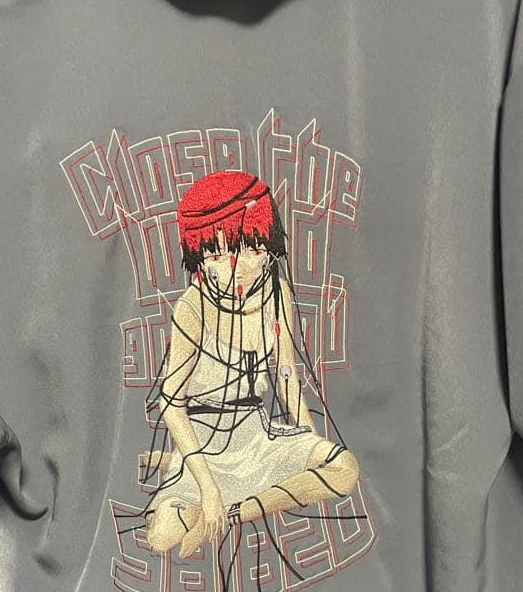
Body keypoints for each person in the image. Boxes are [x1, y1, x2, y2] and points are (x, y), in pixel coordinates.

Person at [140, 169, 360, 567]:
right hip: (204, 448)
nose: (237, 265)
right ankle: (193, 481)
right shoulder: (192, 307)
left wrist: (307, 441)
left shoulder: (277, 294)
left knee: (344, 469)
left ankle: (237, 512)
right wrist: (207, 487)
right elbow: (171, 406)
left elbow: (287, 375)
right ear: (200, 257)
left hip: (256, 438)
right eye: (219, 254)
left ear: (268, 246)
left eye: (252, 248)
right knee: (162, 538)